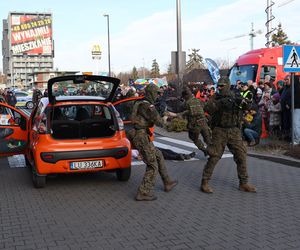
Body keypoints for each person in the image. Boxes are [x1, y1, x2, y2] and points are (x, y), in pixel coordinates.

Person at [200, 77, 256, 193]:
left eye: (222, 86)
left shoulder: (235, 96)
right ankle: (205, 182)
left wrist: (246, 103)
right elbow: (207, 108)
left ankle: (243, 183)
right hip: (220, 130)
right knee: (214, 156)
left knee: (241, 155)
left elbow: (248, 107)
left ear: (227, 85)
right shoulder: (216, 97)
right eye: (218, 86)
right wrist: (220, 103)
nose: (220, 88)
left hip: (234, 130)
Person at [128, 84, 178, 201]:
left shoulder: (140, 102)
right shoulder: (147, 106)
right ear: (151, 93)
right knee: (152, 165)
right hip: (141, 137)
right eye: (156, 93)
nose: (157, 96)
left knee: (158, 155)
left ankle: (167, 182)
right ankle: (143, 192)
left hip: (141, 135)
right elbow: (158, 121)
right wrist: (167, 118)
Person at [175, 88, 211, 155]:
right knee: (208, 139)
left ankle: (204, 150)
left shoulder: (186, 103)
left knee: (194, 138)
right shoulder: (199, 100)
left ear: (185, 96)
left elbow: (180, 109)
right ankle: (212, 152)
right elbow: (205, 108)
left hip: (194, 125)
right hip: (204, 122)